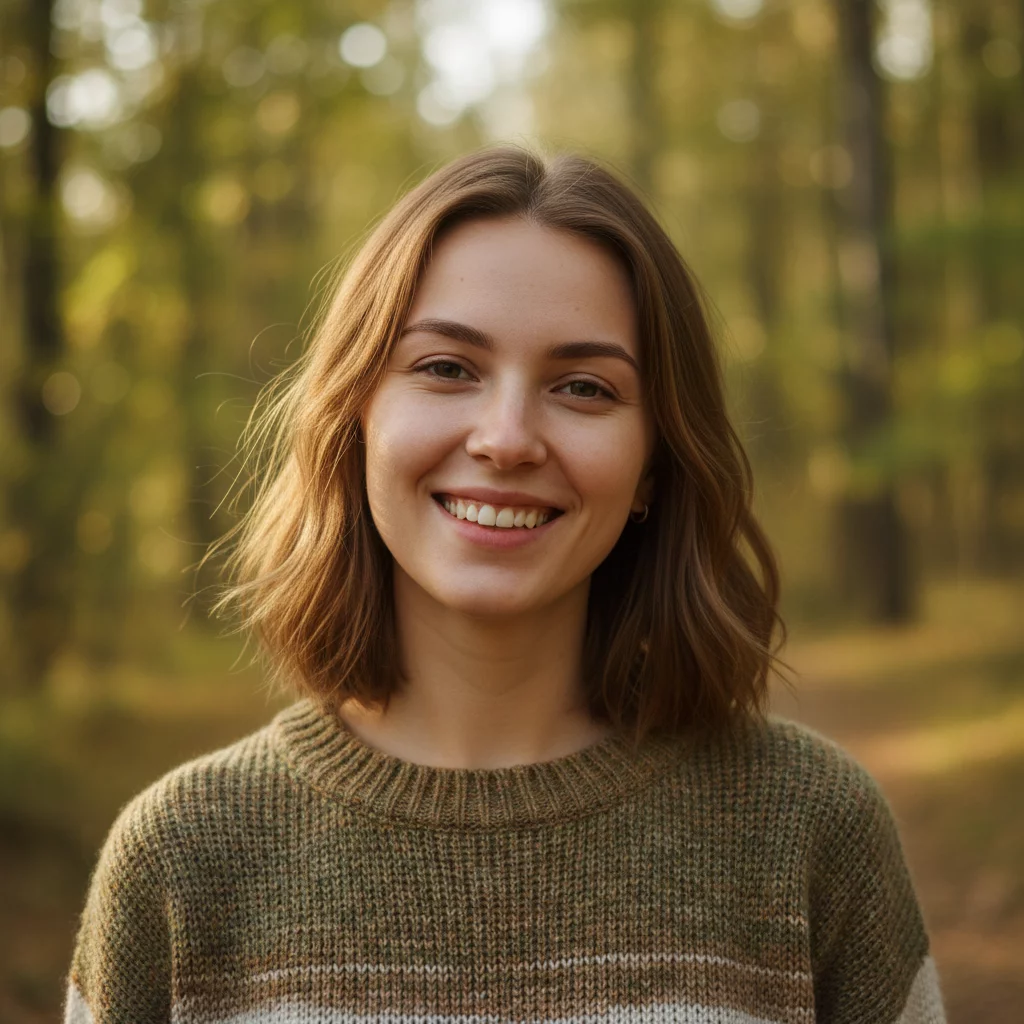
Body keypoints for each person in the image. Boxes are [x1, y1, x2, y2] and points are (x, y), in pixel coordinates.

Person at [63, 145, 946, 1024]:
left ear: (652, 469)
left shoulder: (809, 830)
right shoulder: (182, 857)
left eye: (585, 387)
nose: (508, 438)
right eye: (447, 368)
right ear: (356, 419)